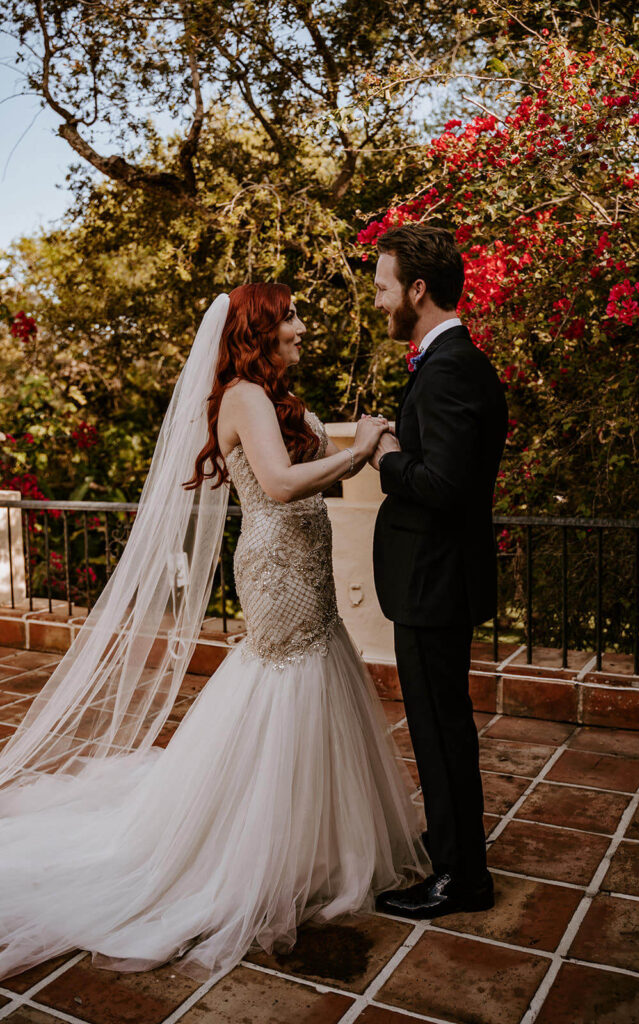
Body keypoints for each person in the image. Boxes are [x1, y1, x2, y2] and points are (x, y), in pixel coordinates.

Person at [0, 283, 428, 983]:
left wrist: (364, 438)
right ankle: (251, 850)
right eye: (289, 315)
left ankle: (310, 840)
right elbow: (284, 484)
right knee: (281, 684)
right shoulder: (242, 398)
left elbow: (310, 476)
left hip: (307, 568)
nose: (301, 325)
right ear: (259, 328)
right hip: (275, 570)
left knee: (316, 683)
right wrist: (357, 453)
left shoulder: (277, 400)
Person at [370, 224, 508, 919]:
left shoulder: (450, 368)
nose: (378, 303)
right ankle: (450, 844)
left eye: (383, 288)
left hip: (432, 584)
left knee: (438, 728)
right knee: (437, 724)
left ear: (416, 290)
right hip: (434, 581)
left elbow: (444, 484)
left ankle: (460, 877)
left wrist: (385, 458)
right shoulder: (449, 361)